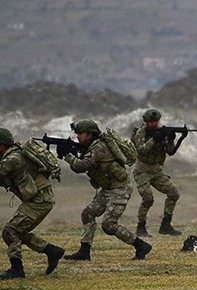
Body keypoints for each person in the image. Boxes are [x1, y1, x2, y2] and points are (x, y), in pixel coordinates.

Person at [0, 128, 65, 280]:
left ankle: (17, 270)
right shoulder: (14, 154)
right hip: (40, 199)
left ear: (1, 145)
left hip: (39, 201)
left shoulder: (11, 159)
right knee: (18, 232)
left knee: (10, 231)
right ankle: (52, 251)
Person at [59, 120, 152, 261]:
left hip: (120, 189)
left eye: (80, 133)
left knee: (108, 225)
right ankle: (84, 252)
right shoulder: (91, 147)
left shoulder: (98, 147)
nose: (77, 136)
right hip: (108, 188)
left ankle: (141, 245)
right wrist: (72, 154)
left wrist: (68, 155)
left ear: (89, 134)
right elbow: (79, 167)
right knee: (88, 214)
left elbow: (82, 165)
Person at [131, 108, 186, 237]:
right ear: (146, 122)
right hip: (142, 170)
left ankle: (166, 225)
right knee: (148, 199)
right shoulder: (141, 133)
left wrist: (174, 139)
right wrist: (155, 138)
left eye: (155, 122)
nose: (153, 124)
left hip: (156, 170)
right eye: (150, 122)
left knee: (174, 194)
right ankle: (140, 227)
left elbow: (170, 152)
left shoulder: (161, 132)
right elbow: (141, 150)